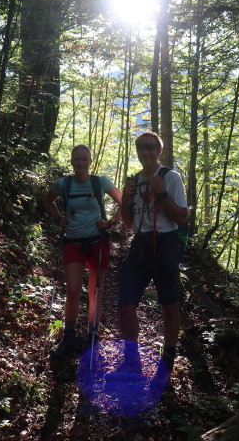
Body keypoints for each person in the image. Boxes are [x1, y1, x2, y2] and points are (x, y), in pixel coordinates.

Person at [118, 131, 188, 374]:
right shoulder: (134, 180)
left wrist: (162, 194)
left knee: (169, 304)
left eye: (151, 147)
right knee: (125, 303)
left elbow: (181, 218)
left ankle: (167, 359)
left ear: (159, 151)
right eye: (141, 148)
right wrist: (125, 201)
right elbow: (128, 222)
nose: (146, 152)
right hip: (139, 245)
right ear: (137, 152)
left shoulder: (171, 178)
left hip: (166, 244)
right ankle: (131, 358)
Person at [43, 145, 122, 357]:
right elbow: (48, 200)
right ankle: (69, 336)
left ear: (90, 161)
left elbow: (123, 202)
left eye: (84, 159)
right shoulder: (63, 184)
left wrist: (112, 222)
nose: (81, 163)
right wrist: (58, 218)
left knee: (95, 291)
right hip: (73, 241)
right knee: (73, 289)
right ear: (71, 161)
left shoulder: (100, 182)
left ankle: (93, 336)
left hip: (98, 241)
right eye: (77, 159)